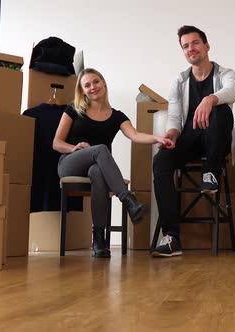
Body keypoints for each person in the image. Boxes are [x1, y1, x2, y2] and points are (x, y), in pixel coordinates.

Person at [53, 68, 172, 258]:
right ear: (82, 91)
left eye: (96, 82)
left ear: (104, 83)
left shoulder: (117, 116)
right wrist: (73, 148)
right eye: (87, 85)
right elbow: (56, 143)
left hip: (96, 168)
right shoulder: (73, 110)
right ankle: (127, 200)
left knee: (98, 173)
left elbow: (135, 135)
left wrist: (158, 138)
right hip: (69, 163)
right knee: (101, 148)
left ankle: (99, 239)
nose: (93, 87)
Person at [152, 25, 235, 257]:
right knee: (161, 161)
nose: (191, 48)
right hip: (189, 139)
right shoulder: (179, 81)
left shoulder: (225, 74)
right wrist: (171, 133)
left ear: (206, 46)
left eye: (195, 43)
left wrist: (210, 99)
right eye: (185, 46)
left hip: (216, 139)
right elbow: (174, 116)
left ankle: (210, 172)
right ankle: (171, 238)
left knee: (221, 110)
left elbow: (233, 91)